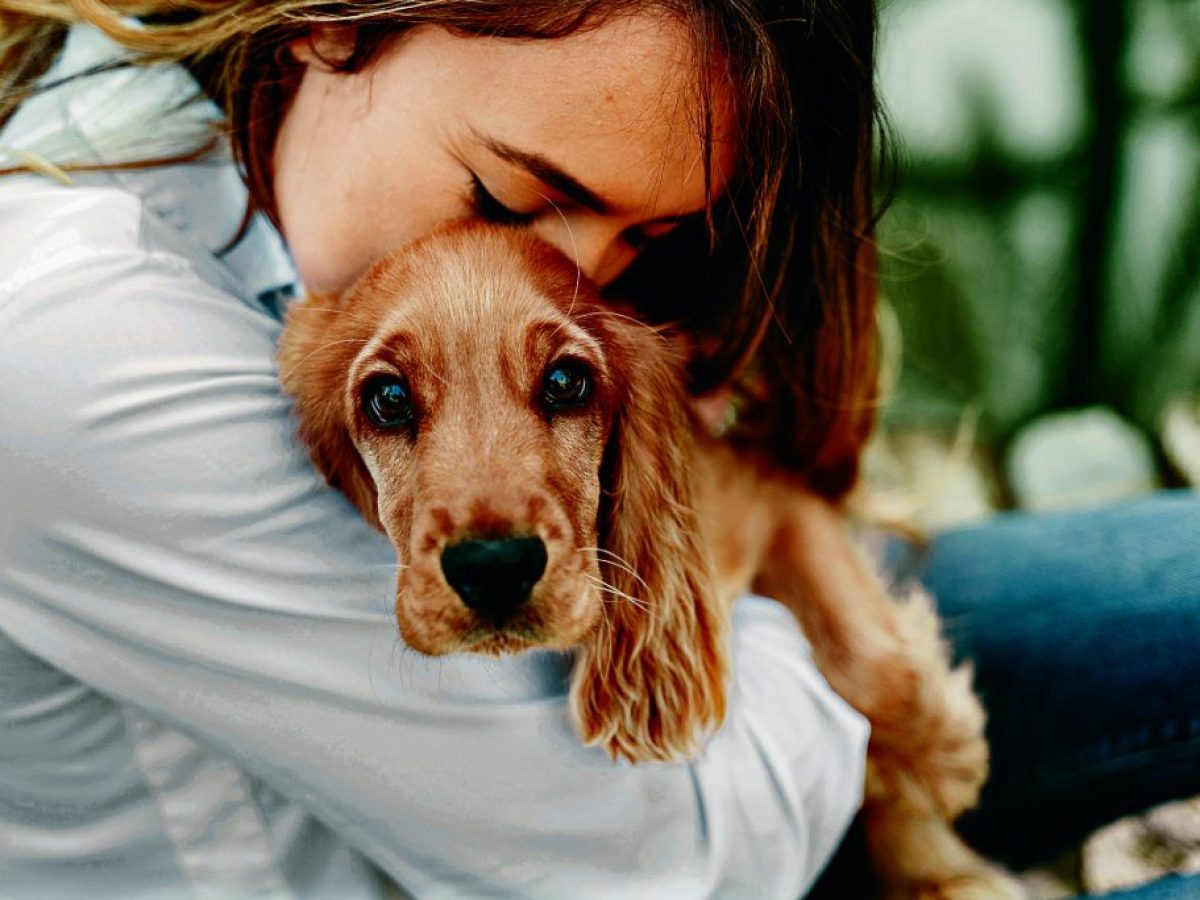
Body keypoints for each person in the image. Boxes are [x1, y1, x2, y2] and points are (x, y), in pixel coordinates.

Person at [0, 3, 1196, 899]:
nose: (579, 281)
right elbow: (667, 859)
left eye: (649, 237)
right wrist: (823, 624)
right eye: (509, 199)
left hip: (728, 680)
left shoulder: (237, 134)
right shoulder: (79, 346)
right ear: (329, 21)